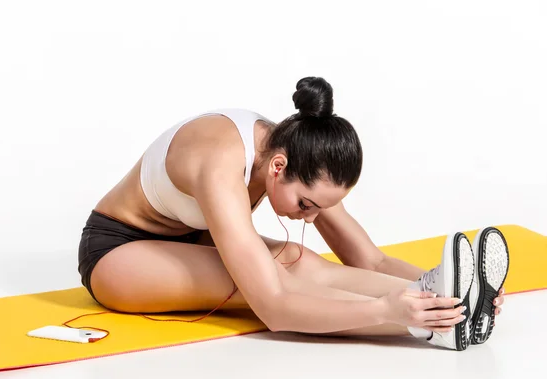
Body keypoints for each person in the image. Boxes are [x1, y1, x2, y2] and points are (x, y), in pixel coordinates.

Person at [77, 77, 508, 351]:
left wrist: (452, 292)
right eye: (306, 205)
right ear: (278, 167)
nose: (308, 218)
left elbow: (370, 259)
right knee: (266, 277)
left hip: (188, 241)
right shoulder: (220, 160)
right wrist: (387, 313)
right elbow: (276, 307)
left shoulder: (298, 149)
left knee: (297, 258)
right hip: (118, 252)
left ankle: (439, 309)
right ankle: (427, 327)